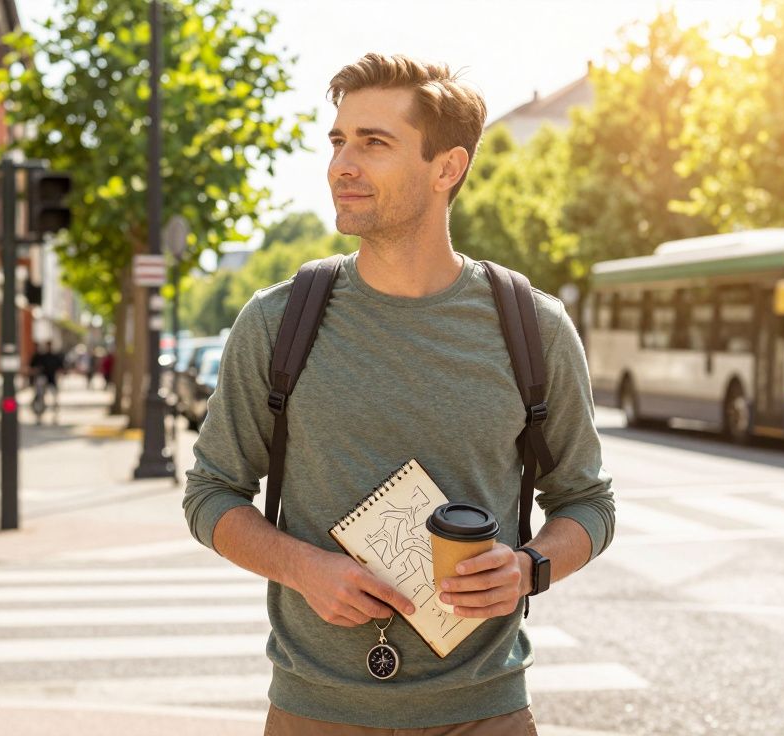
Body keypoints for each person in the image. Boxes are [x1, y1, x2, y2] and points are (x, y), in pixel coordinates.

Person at [182, 53, 615, 735]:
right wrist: (302, 568)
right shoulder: (277, 321)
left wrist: (530, 568)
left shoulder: (534, 327)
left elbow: (588, 502)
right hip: (314, 712)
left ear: (447, 168)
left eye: (373, 143)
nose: (341, 165)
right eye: (338, 141)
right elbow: (210, 493)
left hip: (484, 714)